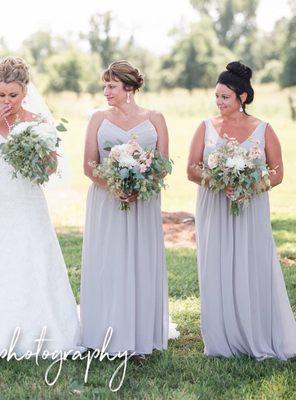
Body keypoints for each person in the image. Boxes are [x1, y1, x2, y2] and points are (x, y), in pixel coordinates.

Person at [0, 57, 81, 359]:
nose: (6, 101)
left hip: (26, 203)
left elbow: (50, 168)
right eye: (1, 95)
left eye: (13, 95)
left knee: (30, 257)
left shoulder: (38, 121)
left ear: (25, 92)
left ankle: (37, 330)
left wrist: (34, 153)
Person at [187, 61, 296, 360]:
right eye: (217, 97)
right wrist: (220, 183)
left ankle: (255, 331)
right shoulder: (205, 127)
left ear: (242, 98)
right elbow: (192, 169)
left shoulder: (263, 130)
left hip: (250, 206)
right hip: (214, 205)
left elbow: (277, 173)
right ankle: (222, 339)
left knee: (251, 264)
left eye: (225, 97)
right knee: (217, 264)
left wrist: (249, 188)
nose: (219, 102)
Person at [80, 60, 171, 357]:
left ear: (129, 88)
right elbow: (89, 165)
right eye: (105, 85)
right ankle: (105, 333)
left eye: (112, 86)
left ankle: (140, 335)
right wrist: (115, 186)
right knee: (108, 261)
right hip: (107, 200)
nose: (106, 91)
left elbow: (163, 165)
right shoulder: (97, 118)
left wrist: (139, 185)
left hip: (143, 201)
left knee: (141, 262)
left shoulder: (155, 118)